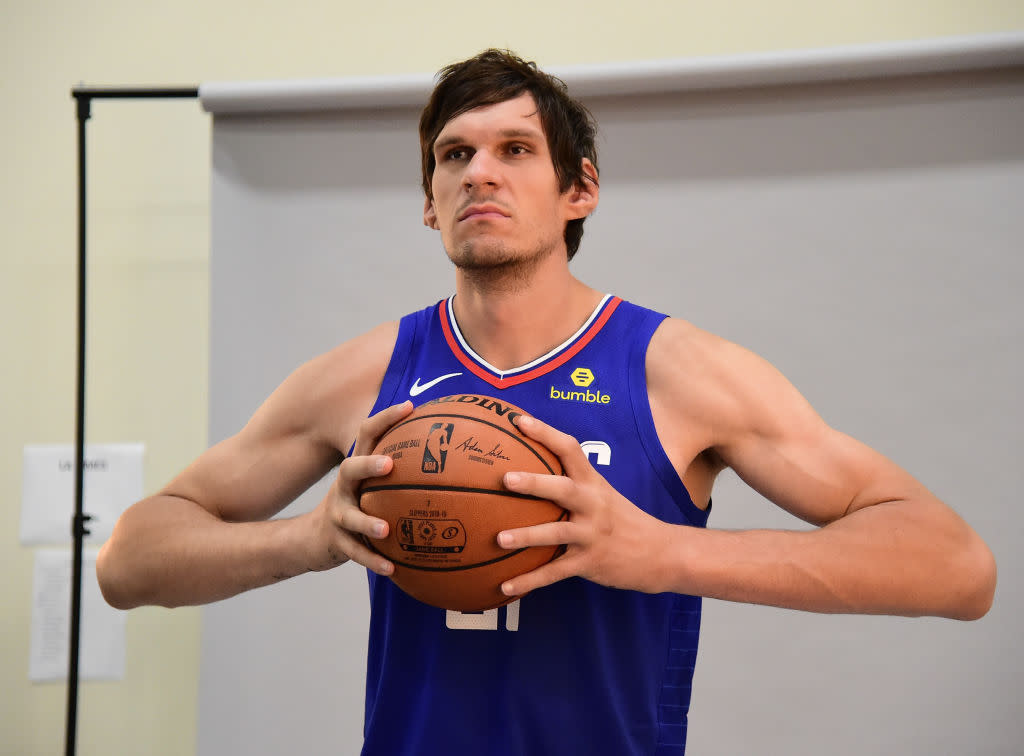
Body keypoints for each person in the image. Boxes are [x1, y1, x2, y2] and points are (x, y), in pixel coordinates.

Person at [97, 49, 997, 755]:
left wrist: (661, 551)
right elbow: (128, 562)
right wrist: (309, 536)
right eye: (455, 156)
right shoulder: (363, 377)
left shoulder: (676, 371)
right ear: (429, 201)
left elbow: (955, 566)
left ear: (580, 191)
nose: (479, 173)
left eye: (515, 150)